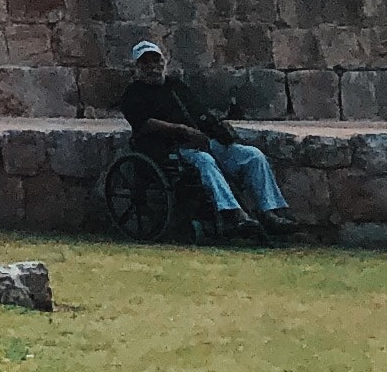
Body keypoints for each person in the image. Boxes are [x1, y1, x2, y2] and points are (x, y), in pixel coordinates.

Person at [120, 39, 291, 239]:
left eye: (156, 61)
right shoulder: (133, 94)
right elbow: (145, 124)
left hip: (200, 141)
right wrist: (181, 130)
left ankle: (270, 212)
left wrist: (218, 129)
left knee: (253, 156)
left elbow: (199, 112)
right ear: (138, 67)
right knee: (204, 160)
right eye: (145, 63)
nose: (152, 67)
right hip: (169, 149)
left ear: (163, 62)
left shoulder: (176, 86)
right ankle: (234, 214)